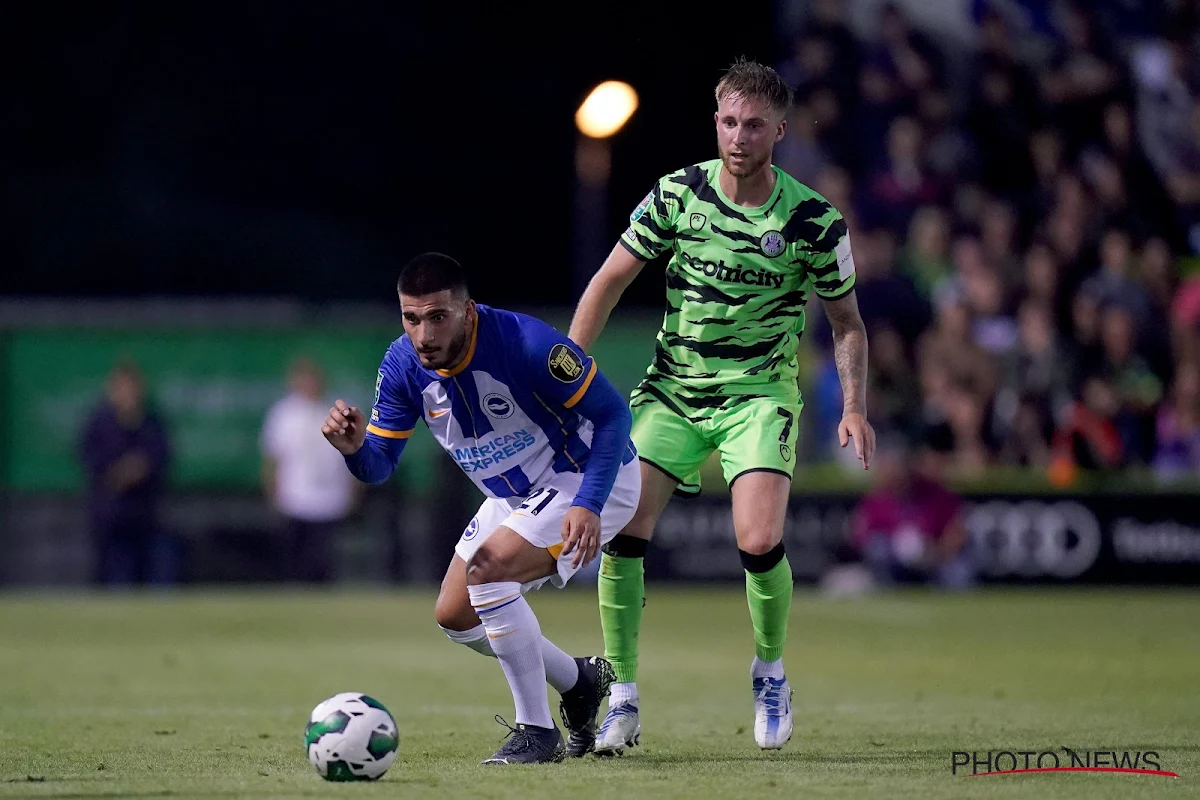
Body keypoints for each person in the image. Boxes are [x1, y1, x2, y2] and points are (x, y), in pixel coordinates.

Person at [568, 58, 877, 753]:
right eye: (730, 122)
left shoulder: (811, 220)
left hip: (759, 394)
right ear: (717, 121)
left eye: (754, 126)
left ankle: (769, 672)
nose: (739, 137)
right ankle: (622, 694)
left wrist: (853, 405)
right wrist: (569, 377)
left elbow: (848, 322)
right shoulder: (678, 194)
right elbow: (608, 282)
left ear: (780, 131)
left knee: (759, 541)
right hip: (674, 391)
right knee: (623, 527)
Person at [322, 253, 641, 765]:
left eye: (437, 317)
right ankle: (578, 681)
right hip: (517, 496)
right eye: (411, 318)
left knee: (488, 573)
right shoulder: (403, 364)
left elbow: (612, 415)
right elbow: (379, 468)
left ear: (467, 312)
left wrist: (589, 501)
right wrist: (356, 450)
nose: (423, 334)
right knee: (455, 613)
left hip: (589, 477)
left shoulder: (527, 344)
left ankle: (537, 732)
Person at [261, 356, 360, 583]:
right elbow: (273, 457)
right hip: (295, 496)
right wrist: (272, 490)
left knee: (324, 557)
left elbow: (354, 453)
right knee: (295, 558)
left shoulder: (337, 412)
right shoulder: (283, 414)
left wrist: (354, 489)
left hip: (331, 498)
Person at [78, 359, 172, 586]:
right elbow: (89, 458)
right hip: (109, 512)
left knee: (149, 574)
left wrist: (139, 469)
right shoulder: (99, 423)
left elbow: (161, 456)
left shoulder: (151, 423)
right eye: (122, 387)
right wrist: (118, 473)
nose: (127, 394)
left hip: (143, 512)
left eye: (132, 387)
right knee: (112, 576)